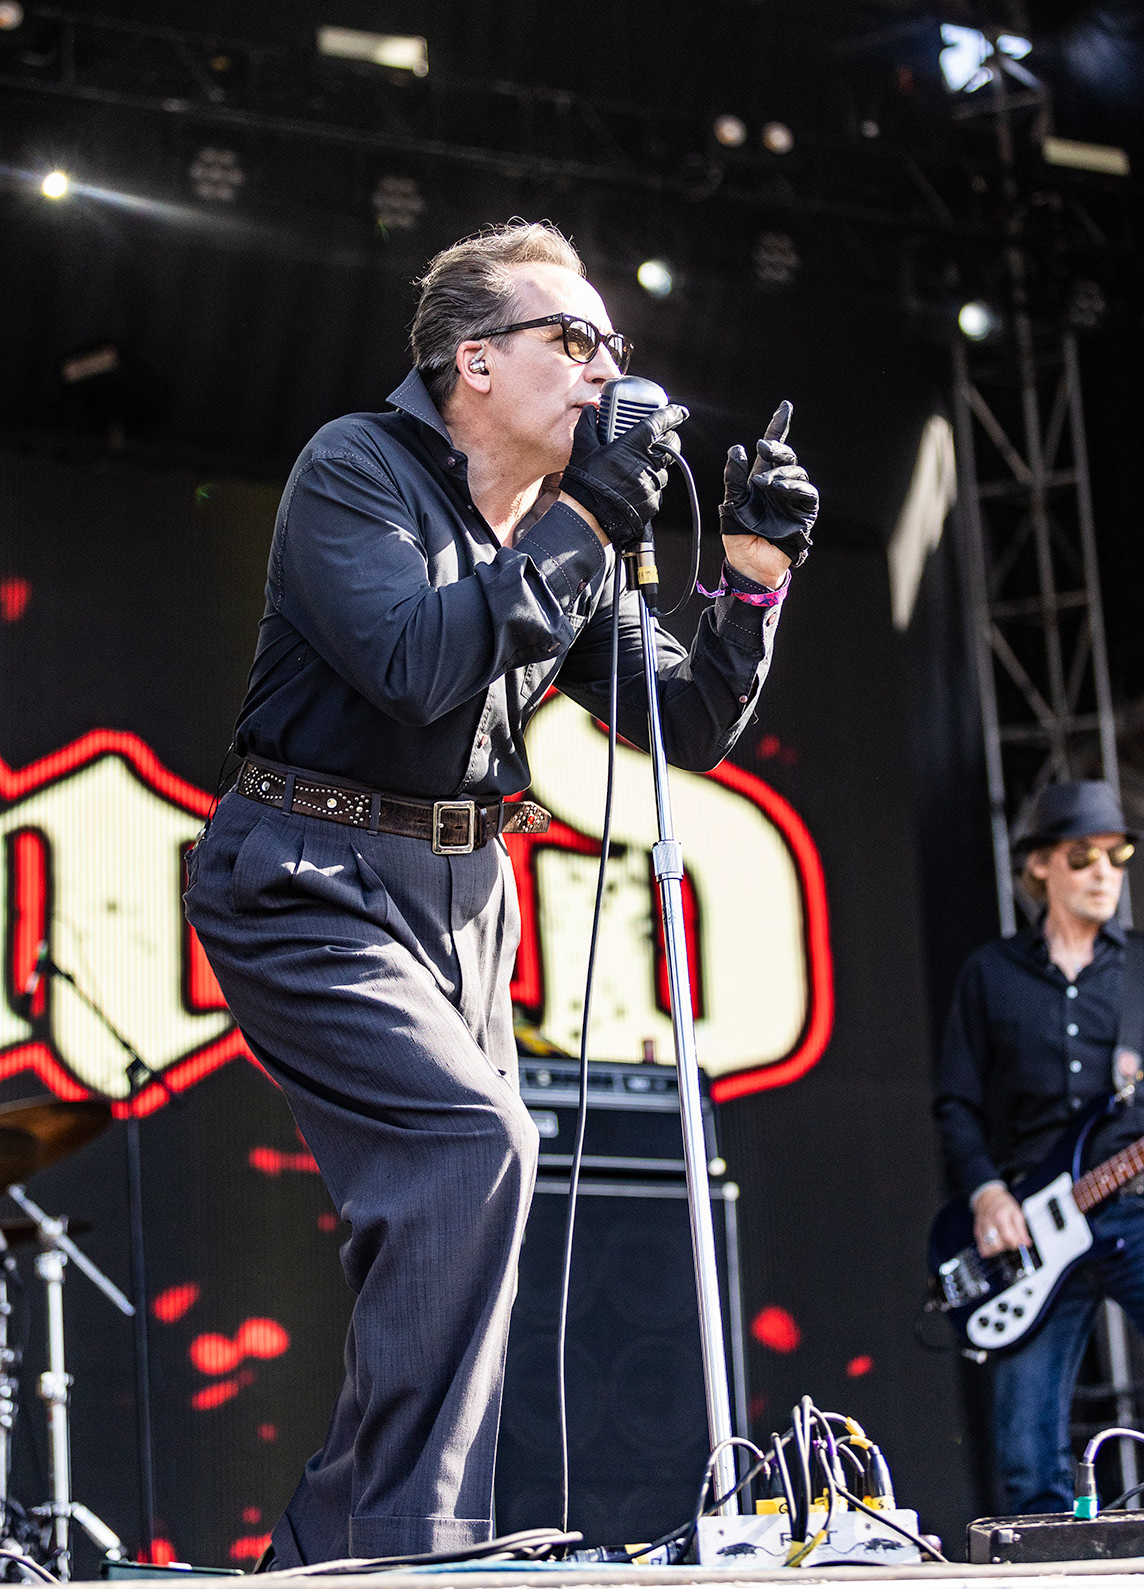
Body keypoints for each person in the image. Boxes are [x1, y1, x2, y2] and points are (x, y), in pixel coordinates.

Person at [184, 219, 818, 1565]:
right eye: (573, 341)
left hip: (465, 890)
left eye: (614, 349)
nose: (603, 376)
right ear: (476, 361)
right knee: (474, 1149)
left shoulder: (555, 533)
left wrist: (752, 584)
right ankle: (412, 1540)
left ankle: (337, 1542)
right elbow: (416, 664)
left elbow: (686, 720)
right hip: (306, 872)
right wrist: (590, 517)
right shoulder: (358, 468)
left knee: (446, 1212)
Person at [934, 780, 1144, 1514]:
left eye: (1117, 856)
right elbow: (955, 1102)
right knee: (1025, 1450)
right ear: (1041, 866)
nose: (1104, 872)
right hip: (1032, 1224)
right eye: (1083, 857)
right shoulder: (991, 974)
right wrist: (988, 1192)